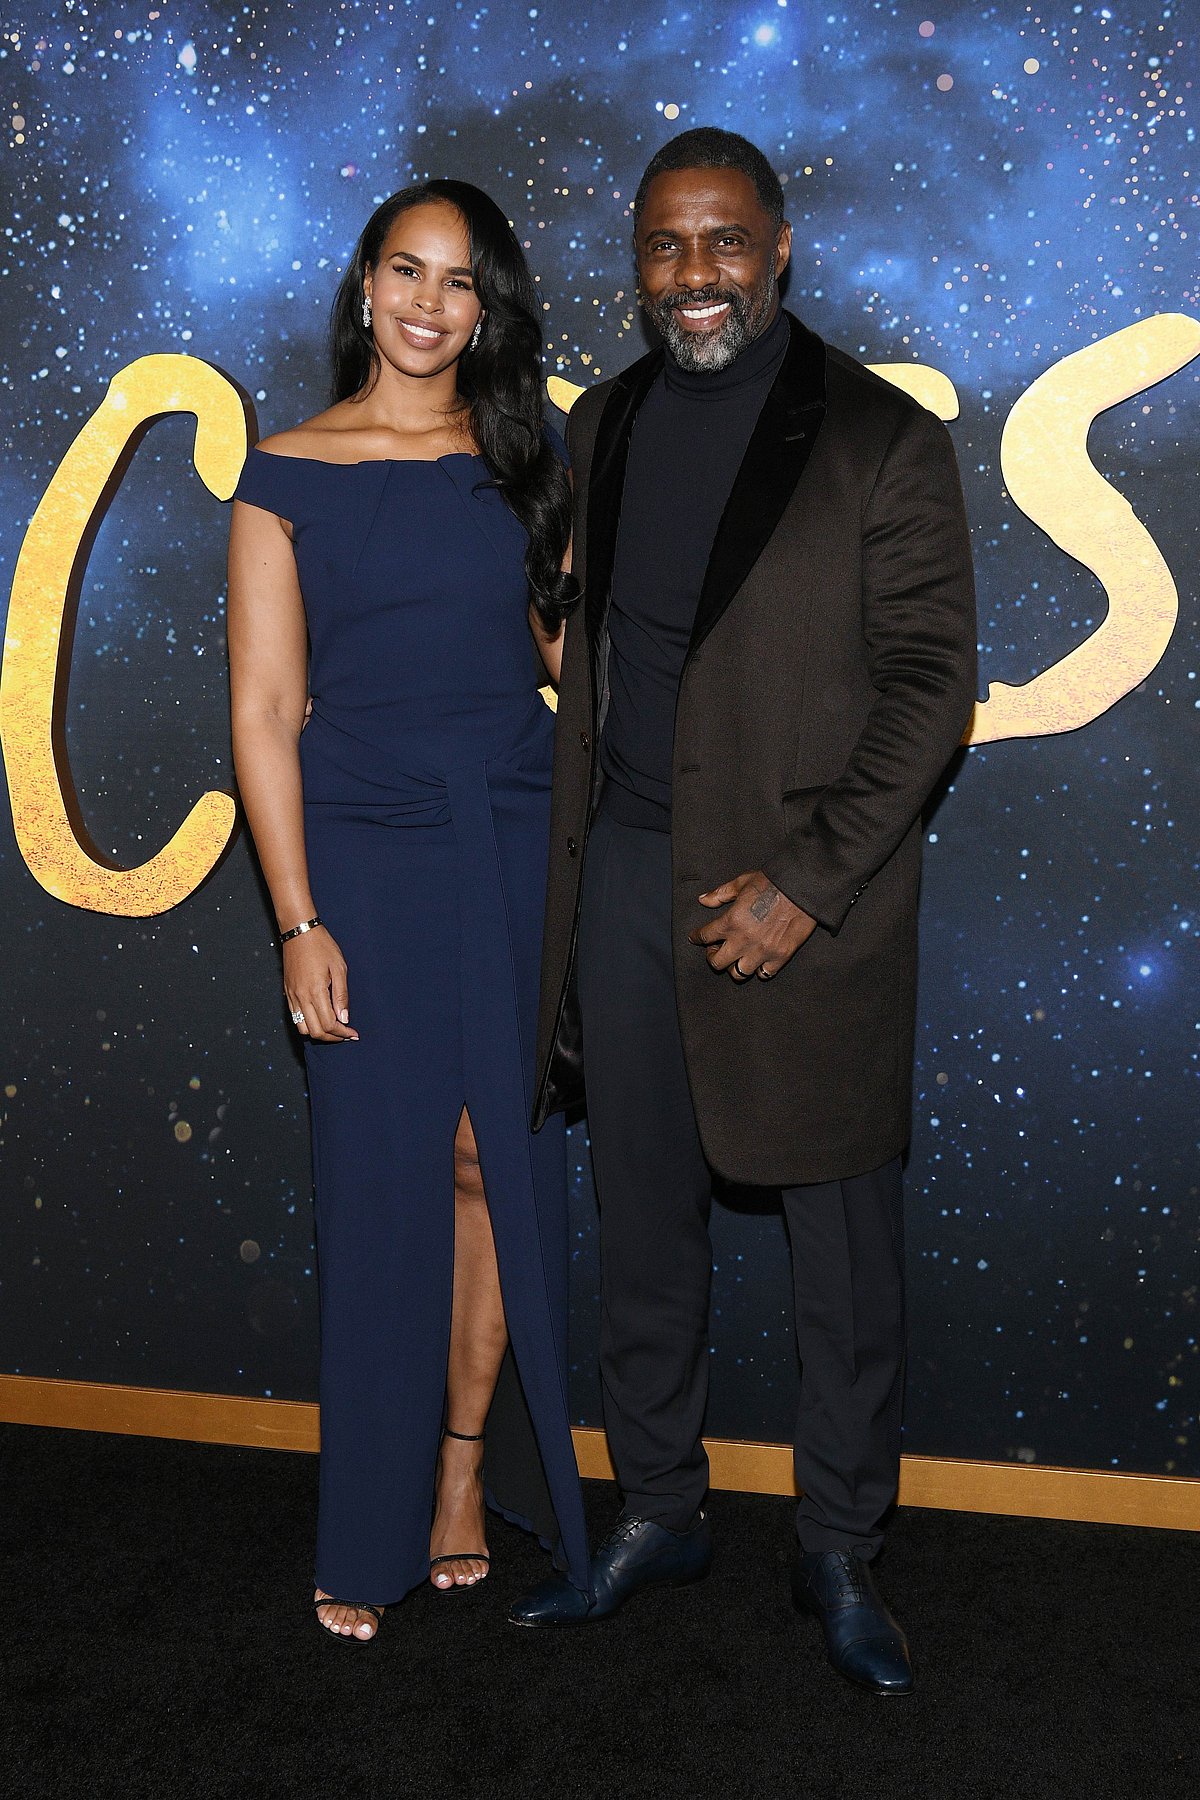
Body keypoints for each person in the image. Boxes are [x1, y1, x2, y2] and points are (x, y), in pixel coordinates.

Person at [510, 129, 977, 1695]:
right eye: (663, 246)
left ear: (781, 247)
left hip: (800, 914)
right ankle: (661, 1509)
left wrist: (810, 881)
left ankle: (840, 1549)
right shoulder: (613, 421)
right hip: (626, 892)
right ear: (634, 262)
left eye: (723, 242)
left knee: (843, 1254)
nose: (693, 275)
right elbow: (601, 636)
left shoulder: (880, 438)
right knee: (640, 1224)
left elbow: (932, 688)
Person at [227, 179, 589, 1642]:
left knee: (485, 1164)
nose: (431, 303)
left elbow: (570, 657)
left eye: (462, 283)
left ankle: (456, 1481)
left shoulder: (525, 456)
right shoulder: (284, 471)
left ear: (487, 309)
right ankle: (364, 1519)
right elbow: (261, 712)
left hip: (512, 837)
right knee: (378, 1187)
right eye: (407, 271)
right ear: (366, 286)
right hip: (361, 860)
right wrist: (298, 918)